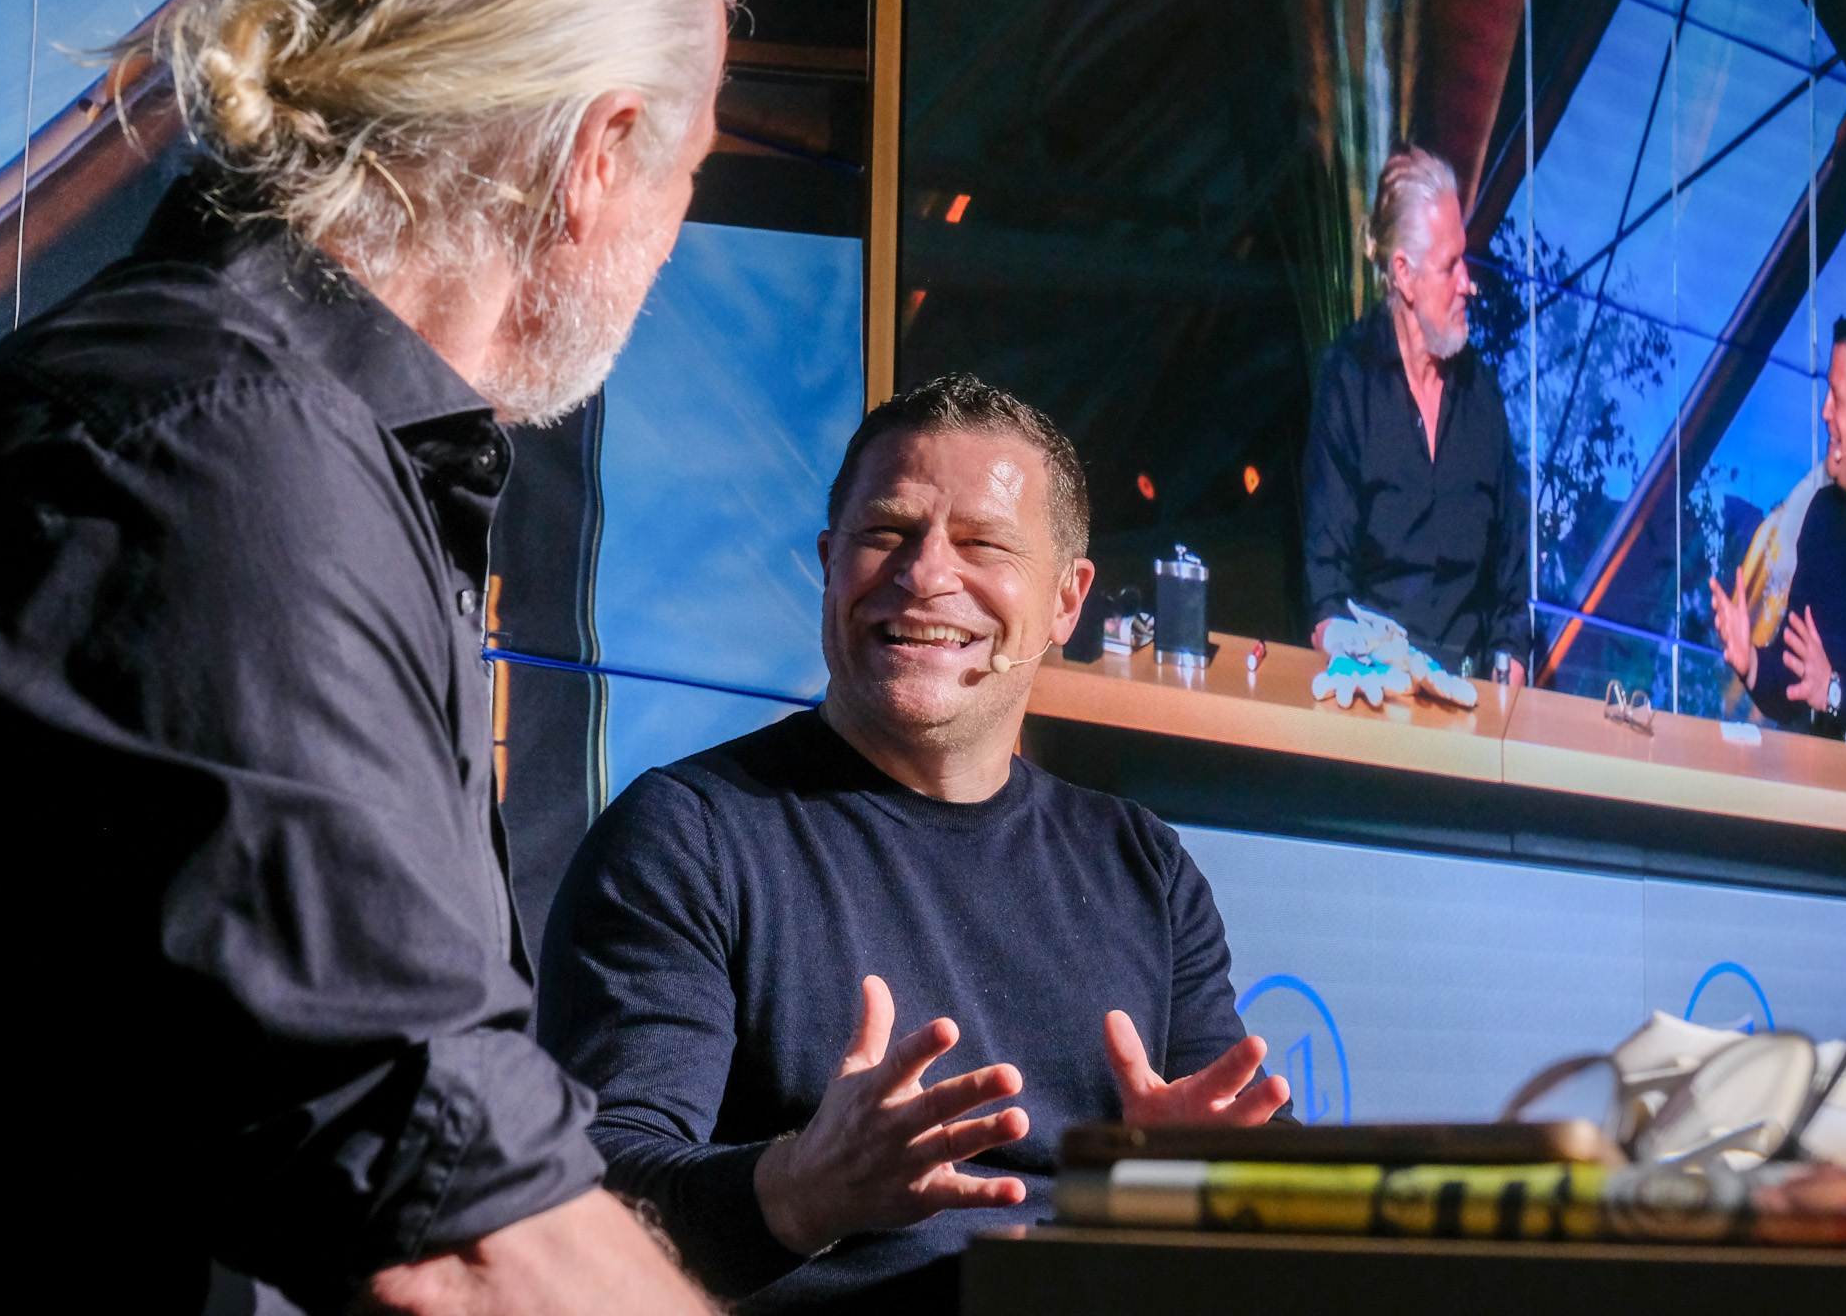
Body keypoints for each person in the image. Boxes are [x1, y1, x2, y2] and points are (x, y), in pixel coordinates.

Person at [0, 0, 730, 1312]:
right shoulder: (225, 451)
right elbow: (462, 1239)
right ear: (602, 154)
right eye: (689, 181)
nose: (671, 249)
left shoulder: (267, 434)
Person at [539, 375, 1294, 1315]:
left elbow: (1247, 1163)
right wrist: (802, 1188)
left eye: (983, 543)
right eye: (886, 533)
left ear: (1068, 600)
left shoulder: (1144, 867)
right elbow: (585, 1205)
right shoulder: (688, 836)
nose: (926, 572)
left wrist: (1199, 1186)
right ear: (828, 562)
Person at [1302, 144, 1530, 683]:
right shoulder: (1348, 383)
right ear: (1403, 274)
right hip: (1370, 700)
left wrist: (1505, 686)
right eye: (1450, 266)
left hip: (1471, 710)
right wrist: (1375, 663)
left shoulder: (1482, 396)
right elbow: (1324, 593)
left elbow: (1512, 594)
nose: (1467, 283)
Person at [1711, 316, 1846, 751]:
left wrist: (1836, 693)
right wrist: (1749, 662)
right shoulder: (1822, 519)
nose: (1824, 411)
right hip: (1823, 798)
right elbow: (1794, 686)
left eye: (1836, 398)